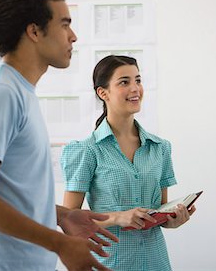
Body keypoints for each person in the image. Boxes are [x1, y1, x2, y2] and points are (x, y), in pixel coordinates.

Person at [0, 0, 118, 271]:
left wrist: (62, 216)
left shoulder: (19, 91)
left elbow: (12, 192)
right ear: (34, 31)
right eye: (64, 24)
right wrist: (59, 243)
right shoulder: (0, 93)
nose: (72, 36)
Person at [60, 55, 197, 271]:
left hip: (156, 261)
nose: (135, 88)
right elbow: (69, 221)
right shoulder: (86, 150)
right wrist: (118, 217)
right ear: (102, 93)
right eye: (124, 82)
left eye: (138, 80)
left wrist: (172, 220)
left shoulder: (160, 148)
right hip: (112, 263)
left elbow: (159, 209)